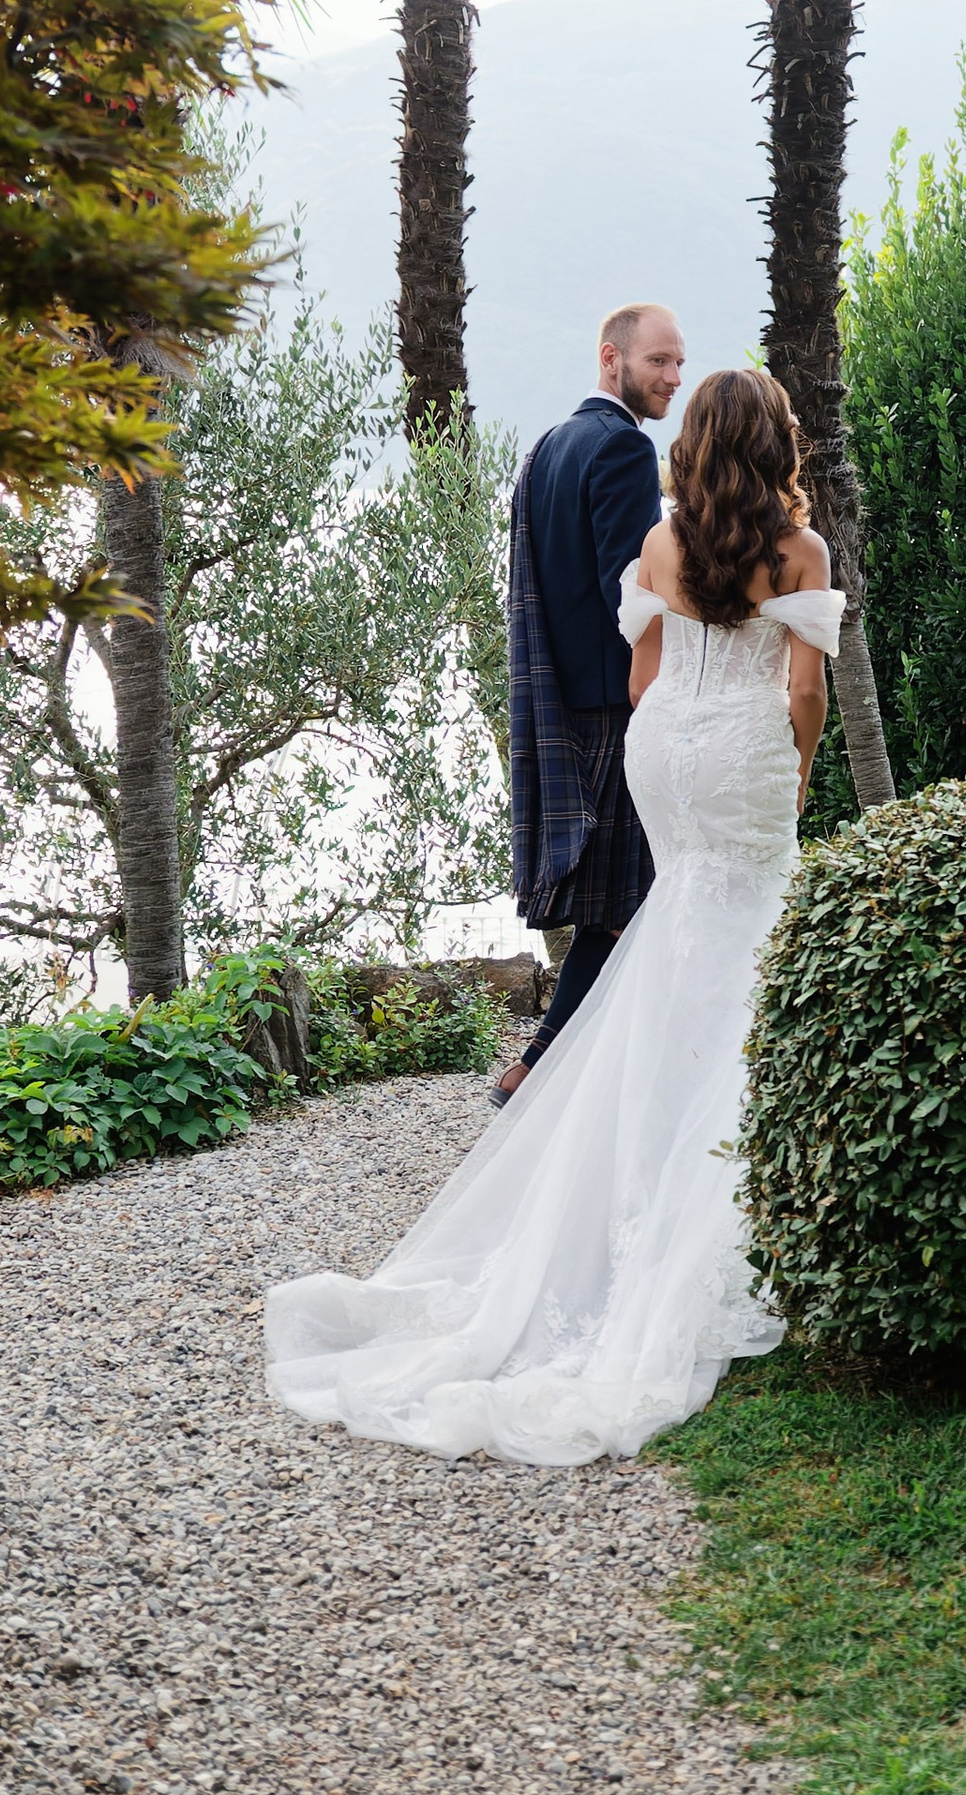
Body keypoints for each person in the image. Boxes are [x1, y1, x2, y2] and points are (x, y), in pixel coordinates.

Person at [265, 368, 843, 1467]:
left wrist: (679, 739)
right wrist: (795, 768)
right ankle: (723, 1193)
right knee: (749, 936)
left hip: (664, 746)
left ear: (698, 445)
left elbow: (640, 678)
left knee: (680, 932)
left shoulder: (665, 546)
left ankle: (635, 1167)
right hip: (744, 753)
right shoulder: (797, 552)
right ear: (775, 442)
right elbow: (804, 692)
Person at [492, 301, 686, 1108]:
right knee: (621, 903)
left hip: (562, 707)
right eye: (658, 364)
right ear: (612, 359)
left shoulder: (547, 447)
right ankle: (542, 1070)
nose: (673, 379)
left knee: (622, 901)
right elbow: (633, 593)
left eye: (680, 363)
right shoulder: (621, 448)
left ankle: (568, 1069)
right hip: (616, 705)